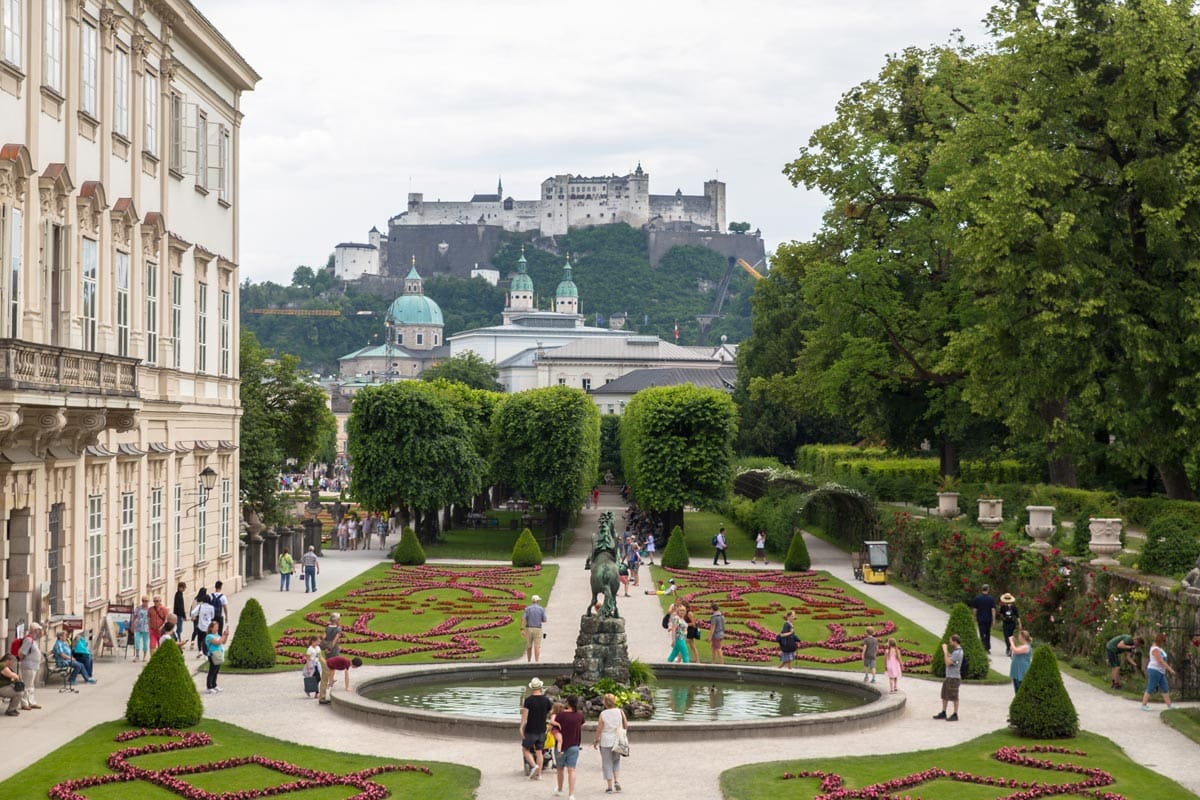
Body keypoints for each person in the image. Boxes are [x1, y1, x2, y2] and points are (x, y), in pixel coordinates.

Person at [593, 692, 628, 793]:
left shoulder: (603, 714)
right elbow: (626, 724)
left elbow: (599, 729)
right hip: (618, 740)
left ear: (605, 702)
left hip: (606, 741)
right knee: (616, 761)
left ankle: (609, 787)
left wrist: (596, 740)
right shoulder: (620, 711)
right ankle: (617, 781)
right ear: (614, 701)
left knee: (607, 763)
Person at [520, 678, 554, 780]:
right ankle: (539, 774)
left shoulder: (528, 700)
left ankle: (534, 766)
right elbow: (550, 713)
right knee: (540, 752)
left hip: (530, 730)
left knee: (525, 749)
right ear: (540, 687)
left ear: (532, 688)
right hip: (542, 729)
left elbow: (524, 718)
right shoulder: (546, 700)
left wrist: (521, 728)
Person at [554, 694, 585, 800]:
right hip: (574, 745)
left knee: (560, 769)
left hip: (560, 746)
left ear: (567, 702)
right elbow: (581, 723)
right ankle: (571, 794)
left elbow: (554, 726)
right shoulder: (580, 715)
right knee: (571, 770)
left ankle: (560, 788)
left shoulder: (561, 715)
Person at [1141, 632, 1178, 711]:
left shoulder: (1159, 648)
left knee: (1165, 687)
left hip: (1160, 671)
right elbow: (1160, 661)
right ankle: (1144, 705)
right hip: (1154, 670)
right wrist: (1170, 669)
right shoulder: (1155, 649)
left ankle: (1169, 705)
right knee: (1151, 687)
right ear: (1160, 641)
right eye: (1163, 641)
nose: (1164, 643)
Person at [933, 634, 962, 721]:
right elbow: (951, 658)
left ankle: (955, 714)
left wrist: (945, 651)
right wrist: (948, 653)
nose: (950, 642)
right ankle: (943, 712)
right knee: (944, 695)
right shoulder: (956, 651)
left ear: (955, 641)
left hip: (954, 677)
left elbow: (948, 662)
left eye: (951, 641)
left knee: (954, 696)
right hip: (949, 676)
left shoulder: (958, 652)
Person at [17, 622, 43, 710]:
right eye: (39, 630)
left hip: (33, 666)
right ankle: (24, 703)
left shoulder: (33, 639)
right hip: (28, 666)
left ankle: (31, 702)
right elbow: (22, 652)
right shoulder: (28, 640)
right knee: (26, 685)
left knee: (31, 685)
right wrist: (22, 660)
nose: (40, 632)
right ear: (35, 630)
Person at [204, 621, 230, 694]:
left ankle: (214, 685)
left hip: (218, 655)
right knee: (212, 671)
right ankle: (209, 687)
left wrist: (226, 635)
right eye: (215, 627)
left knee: (216, 671)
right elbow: (218, 642)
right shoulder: (209, 636)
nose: (217, 629)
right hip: (213, 655)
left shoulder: (217, 635)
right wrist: (224, 635)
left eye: (217, 627)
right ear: (211, 628)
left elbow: (223, 642)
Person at [972, 584, 997, 653]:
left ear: (982, 589)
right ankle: (987, 648)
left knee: (982, 633)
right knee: (988, 633)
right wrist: (994, 619)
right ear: (988, 589)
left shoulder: (977, 598)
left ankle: (982, 646)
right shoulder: (991, 599)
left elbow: (975, 609)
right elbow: (993, 610)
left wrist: (974, 617)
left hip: (980, 618)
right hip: (988, 618)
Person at [522, 595, 547, 662]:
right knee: (537, 646)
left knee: (529, 646)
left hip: (529, 629)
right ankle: (536, 661)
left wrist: (522, 629)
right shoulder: (541, 609)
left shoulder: (527, 609)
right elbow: (545, 620)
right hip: (537, 629)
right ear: (537, 601)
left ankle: (529, 661)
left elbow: (523, 618)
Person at [192, 589, 215, 658]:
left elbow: (193, 613)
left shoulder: (200, 606)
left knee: (199, 639)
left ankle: (200, 651)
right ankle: (207, 653)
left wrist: (197, 615)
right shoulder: (211, 607)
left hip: (200, 626)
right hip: (208, 627)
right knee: (208, 640)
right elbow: (213, 616)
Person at [1008, 629, 1032, 693]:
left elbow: (1016, 651)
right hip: (1016, 669)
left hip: (1022, 670)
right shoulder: (1021, 646)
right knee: (1016, 688)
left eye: (1019, 636)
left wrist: (1011, 641)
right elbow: (1012, 649)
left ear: (1023, 637)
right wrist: (1013, 642)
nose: (1018, 638)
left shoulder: (1026, 647)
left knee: (1020, 688)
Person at [132, 597, 152, 661]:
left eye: (146, 601)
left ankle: (145, 656)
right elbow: (134, 617)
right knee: (137, 641)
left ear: (148, 601)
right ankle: (137, 655)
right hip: (138, 627)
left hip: (146, 628)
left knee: (145, 642)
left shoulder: (150, 609)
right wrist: (132, 625)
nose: (144, 602)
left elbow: (151, 618)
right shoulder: (138, 608)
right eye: (143, 601)